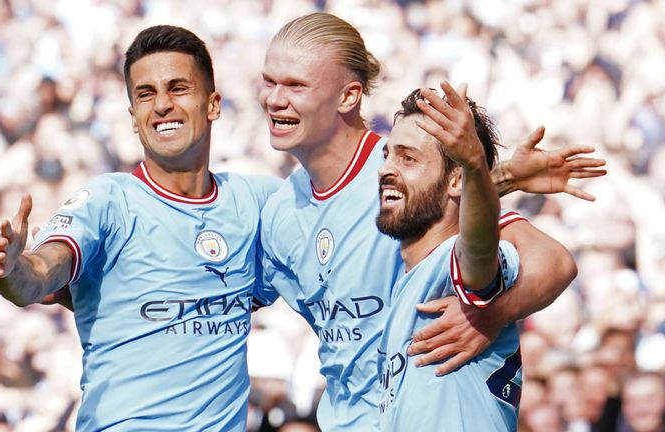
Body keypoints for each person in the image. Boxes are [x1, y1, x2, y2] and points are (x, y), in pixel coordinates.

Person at [255, 12, 605, 431]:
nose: (275, 99)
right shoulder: (281, 211)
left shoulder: (401, 176)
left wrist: (486, 316)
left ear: (348, 96)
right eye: (269, 81)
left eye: (295, 85)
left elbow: (552, 261)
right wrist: (500, 177)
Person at [0, 25, 279, 431]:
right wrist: (14, 268)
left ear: (213, 104)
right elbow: (39, 273)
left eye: (178, 88)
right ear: (133, 116)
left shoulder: (259, 203)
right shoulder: (109, 200)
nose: (161, 104)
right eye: (146, 94)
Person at [377, 85, 522, 430]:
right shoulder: (403, 284)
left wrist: (474, 164)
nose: (385, 169)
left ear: (456, 180)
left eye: (407, 158)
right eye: (387, 155)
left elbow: (479, 250)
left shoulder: (450, 267)